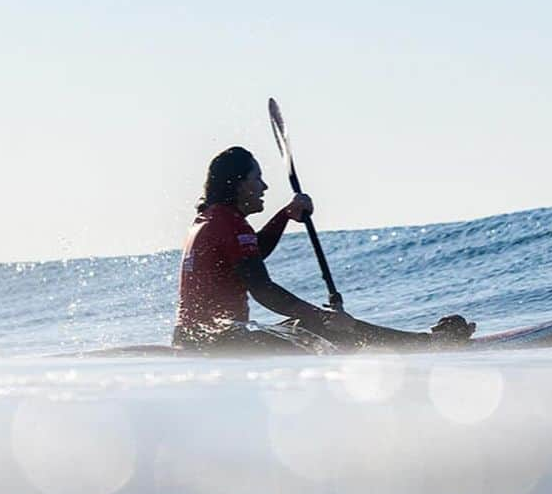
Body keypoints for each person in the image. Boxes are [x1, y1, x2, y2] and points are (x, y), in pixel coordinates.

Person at [173, 146, 474, 352]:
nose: (264, 187)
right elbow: (262, 288)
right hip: (224, 343)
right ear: (238, 185)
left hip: (196, 339)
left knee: (305, 326)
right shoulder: (231, 225)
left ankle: (420, 342)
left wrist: (285, 215)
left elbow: (251, 258)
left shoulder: (209, 220)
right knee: (328, 331)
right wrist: (323, 317)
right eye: (257, 178)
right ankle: (427, 345)